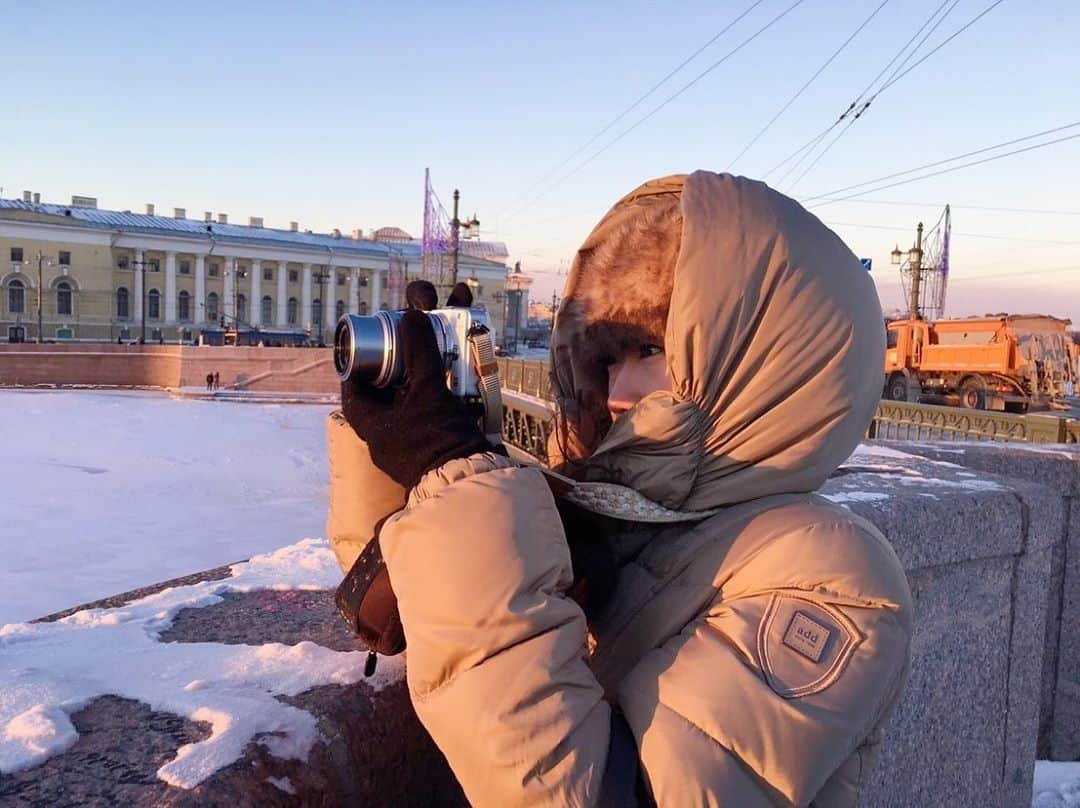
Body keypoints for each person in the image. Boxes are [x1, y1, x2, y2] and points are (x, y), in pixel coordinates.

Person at [329, 171, 912, 806]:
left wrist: (455, 472)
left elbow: (598, 791)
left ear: (767, 360)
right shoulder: (609, 507)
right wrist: (408, 453)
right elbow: (403, 616)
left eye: (650, 350)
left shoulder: (832, 578)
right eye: (606, 359)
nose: (616, 394)